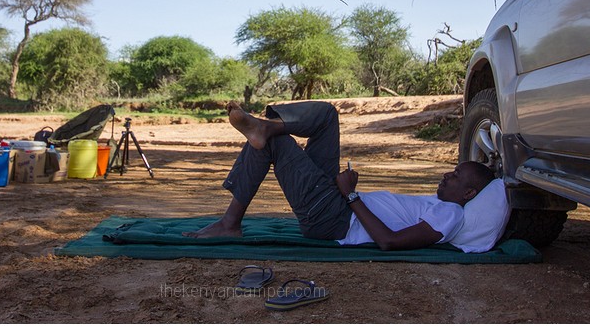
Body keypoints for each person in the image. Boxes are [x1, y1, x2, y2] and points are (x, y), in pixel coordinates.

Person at [183, 101, 495, 251]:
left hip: (332, 217)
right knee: (327, 116)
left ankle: (230, 223)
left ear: (468, 195)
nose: (446, 174)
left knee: (274, 144)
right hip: (336, 203)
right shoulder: (440, 205)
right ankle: (267, 126)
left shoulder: (451, 214)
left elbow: (389, 242)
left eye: (455, 175)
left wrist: (351, 195)